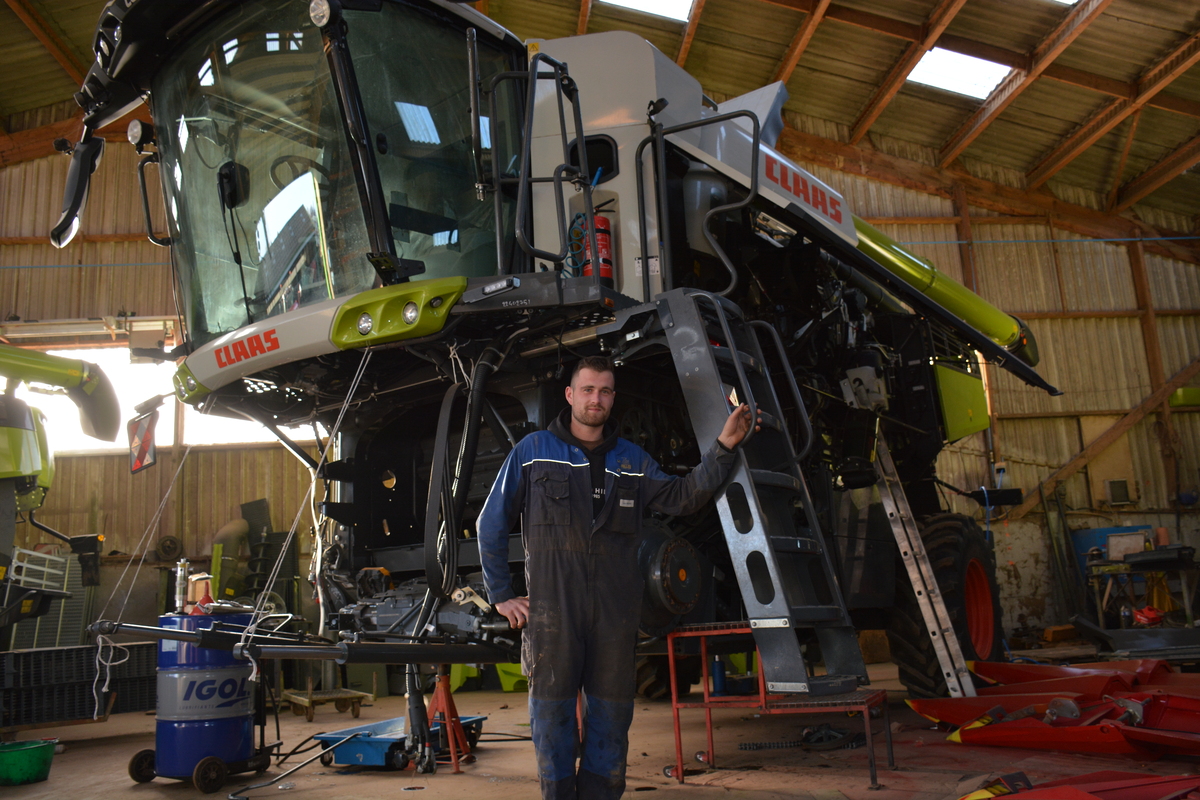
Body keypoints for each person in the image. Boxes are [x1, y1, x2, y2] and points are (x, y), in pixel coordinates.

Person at [477, 355, 756, 800]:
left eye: (605, 391)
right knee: (552, 724)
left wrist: (723, 448)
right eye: (587, 390)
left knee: (611, 724)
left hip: (614, 614)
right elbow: (490, 523)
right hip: (554, 614)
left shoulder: (632, 460)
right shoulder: (532, 453)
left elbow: (683, 498)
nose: (596, 399)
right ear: (570, 395)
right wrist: (501, 594)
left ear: (613, 398)